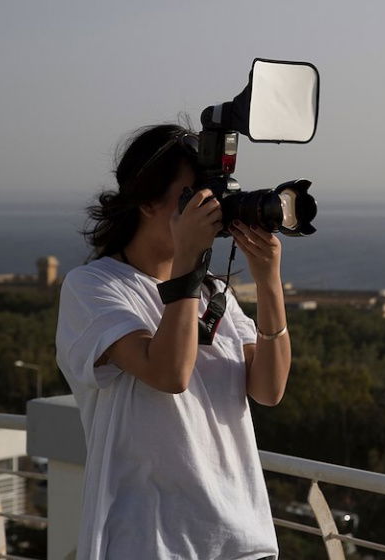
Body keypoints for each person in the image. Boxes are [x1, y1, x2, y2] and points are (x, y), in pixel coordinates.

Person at [55, 123, 290, 560]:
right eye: (192, 195)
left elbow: (269, 389)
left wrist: (269, 283)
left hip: (241, 539)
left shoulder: (211, 293)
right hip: (150, 542)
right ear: (146, 201)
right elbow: (168, 373)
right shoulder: (93, 287)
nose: (211, 208)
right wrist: (187, 260)